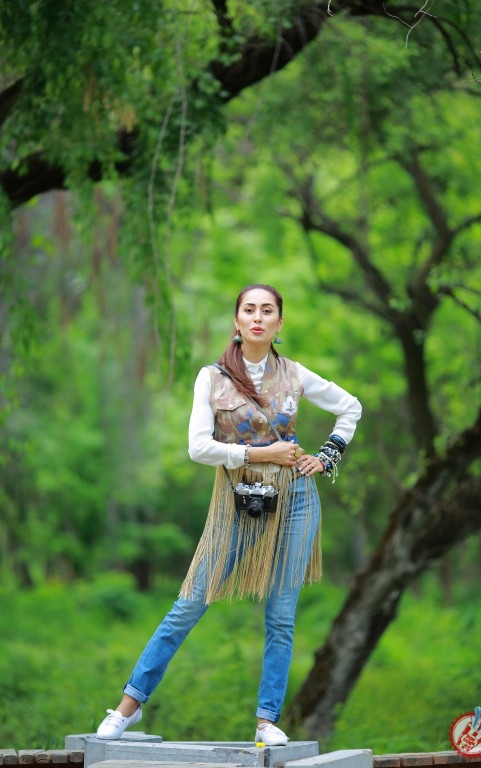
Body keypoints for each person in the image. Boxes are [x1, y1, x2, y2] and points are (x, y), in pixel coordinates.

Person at [96, 284, 362, 746]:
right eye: (249, 310)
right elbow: (198, 448)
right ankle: (128, 707)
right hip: (236, 502)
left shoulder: (296, 374)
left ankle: (266, 721)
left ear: (279, 323)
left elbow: (350, 407)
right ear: (236, 321)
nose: (258, 317)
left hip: (297, 499)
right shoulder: (212, 378)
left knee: (281, 617)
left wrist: (326, 457)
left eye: (267, 310)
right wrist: (262, 453)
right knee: (189, 604)